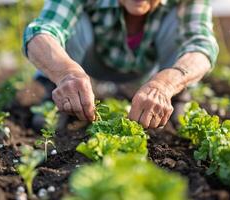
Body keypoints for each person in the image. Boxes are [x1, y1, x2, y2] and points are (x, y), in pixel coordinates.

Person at [23, 0, 219, 129]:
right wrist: (66, 73)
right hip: (89, 62)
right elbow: (41, 31)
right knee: (67, 24)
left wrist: (164, 84)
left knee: (181, 24)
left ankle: (177, 97)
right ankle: (58, 93)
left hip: (148, 71)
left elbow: (201, 45)